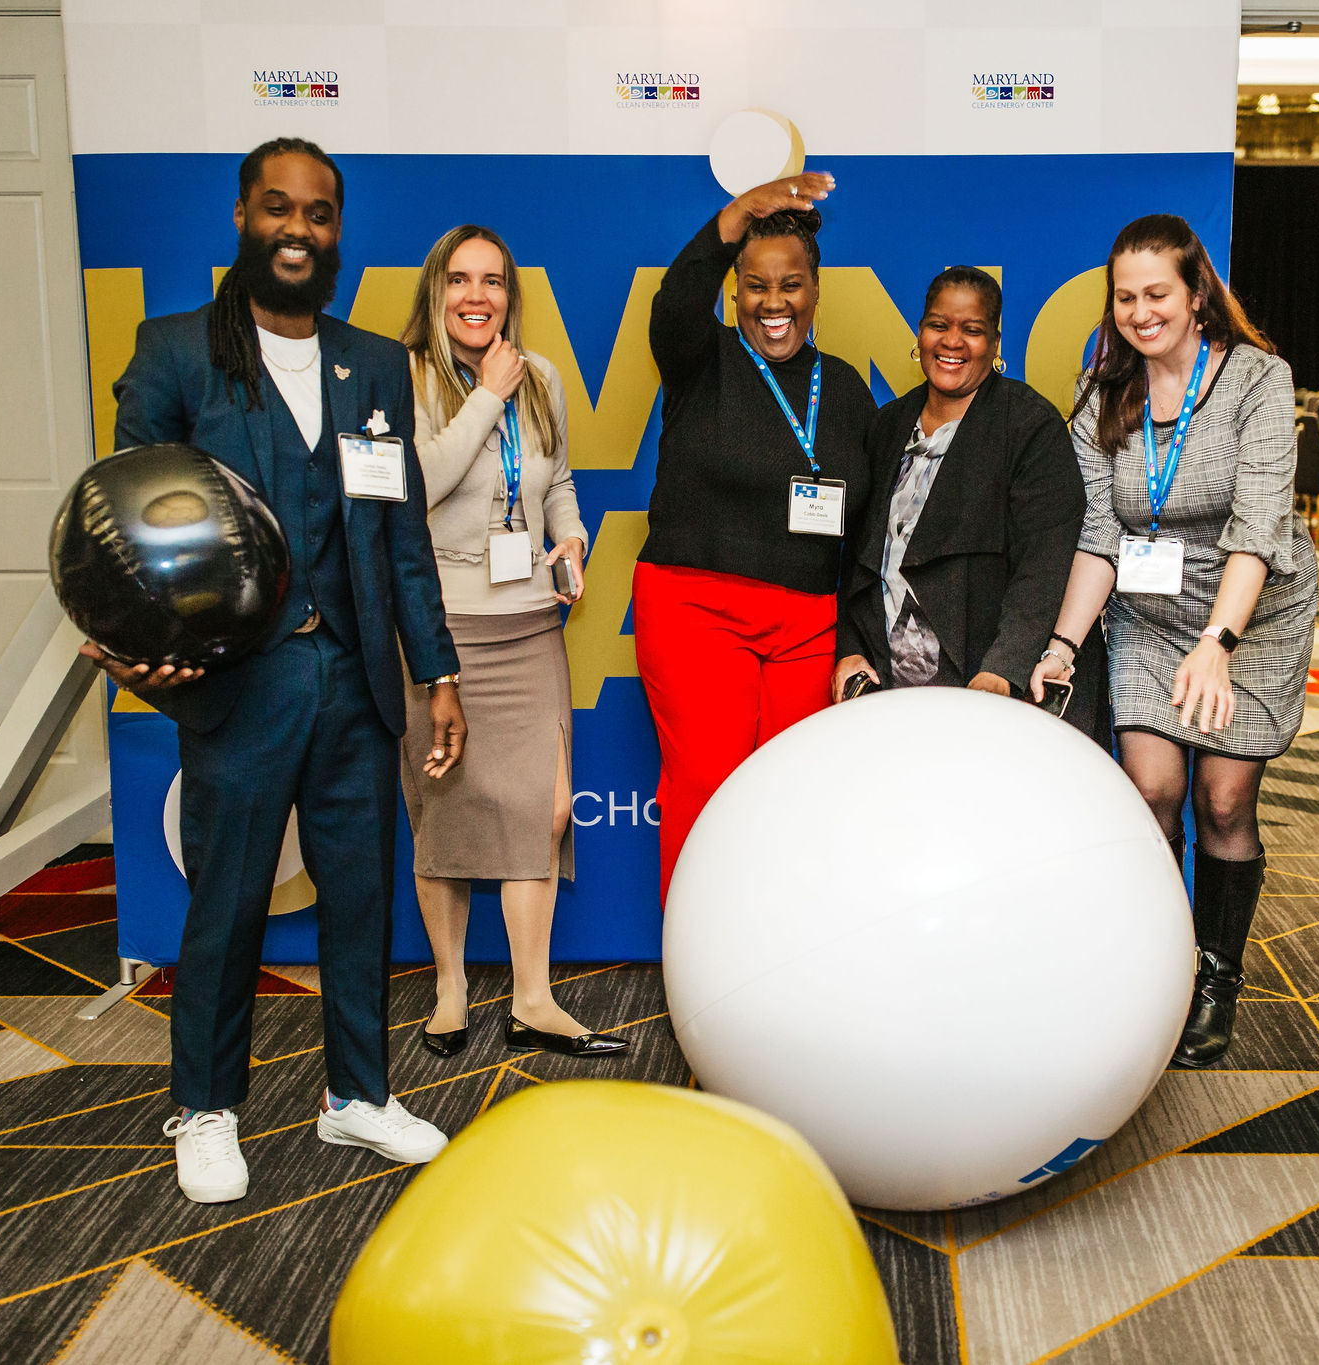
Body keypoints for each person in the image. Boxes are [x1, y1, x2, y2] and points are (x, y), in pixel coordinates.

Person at [93, 137, 465, 1204]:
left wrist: (436, 673)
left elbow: (400, 537)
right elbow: (130, 515)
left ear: (337, 230)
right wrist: (129, 630)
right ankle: (207, 1107)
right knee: (229, 904)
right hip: (242, 685)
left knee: (359, 897)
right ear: (242, 218)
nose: (298, 229)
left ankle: (357, 1094)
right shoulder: (176, 353)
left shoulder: (373, 363)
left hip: (355, 679)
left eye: (318, 213)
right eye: (278, 208)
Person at [1031, 214, 1318, 1069]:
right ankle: (1156, 969)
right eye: (1125, 298)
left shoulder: (1258, 380)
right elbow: (1099, 535)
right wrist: (1063, 644)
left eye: (1157, 294)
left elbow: (1259, 526)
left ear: (1197, 295)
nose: (1141, 312)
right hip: (1152, 614)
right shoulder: (1102, 393)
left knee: (1223, 802)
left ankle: (1216, 977)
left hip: (1252, 612)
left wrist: (1220, 640)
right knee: (1151, 788)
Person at [398, 225, 624, 1060]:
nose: (477, 296)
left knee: (545, 807)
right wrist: (486, 397)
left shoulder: (542, 377)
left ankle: (533, 998)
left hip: (530, 621)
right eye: (460, 279)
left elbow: (556, 479)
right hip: (442, 626)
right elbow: (415, 488)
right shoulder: (406, 376)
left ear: (509, 295)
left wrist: (571, 537)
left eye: (492, 280)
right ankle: (450, 988)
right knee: (446, 807)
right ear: (436, 290)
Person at [636, 173, 878, 899]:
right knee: (707, 785)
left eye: (791, 285)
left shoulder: (845, 388)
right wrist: (739, 213)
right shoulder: (699, 358)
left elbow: (867, 527)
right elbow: (675, 301)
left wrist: (851, 634)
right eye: (755, 285)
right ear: (734, 290)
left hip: (808, 622)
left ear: (815, 291)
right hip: (696, 608)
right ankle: (694, 949)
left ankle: (773, 949)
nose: (774, 303)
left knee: (791, 792)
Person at [834, 267, 1083, 703]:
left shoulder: (1030, 426)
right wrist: (850, 649)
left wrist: (1002, 669)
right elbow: (856, 556)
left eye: (972, 330)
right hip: (885, 689)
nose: (952, 341)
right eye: (939, 325)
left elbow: (1043, 566)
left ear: (995, 343)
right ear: (920, 332)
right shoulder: (888, 425)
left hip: (983, 685)